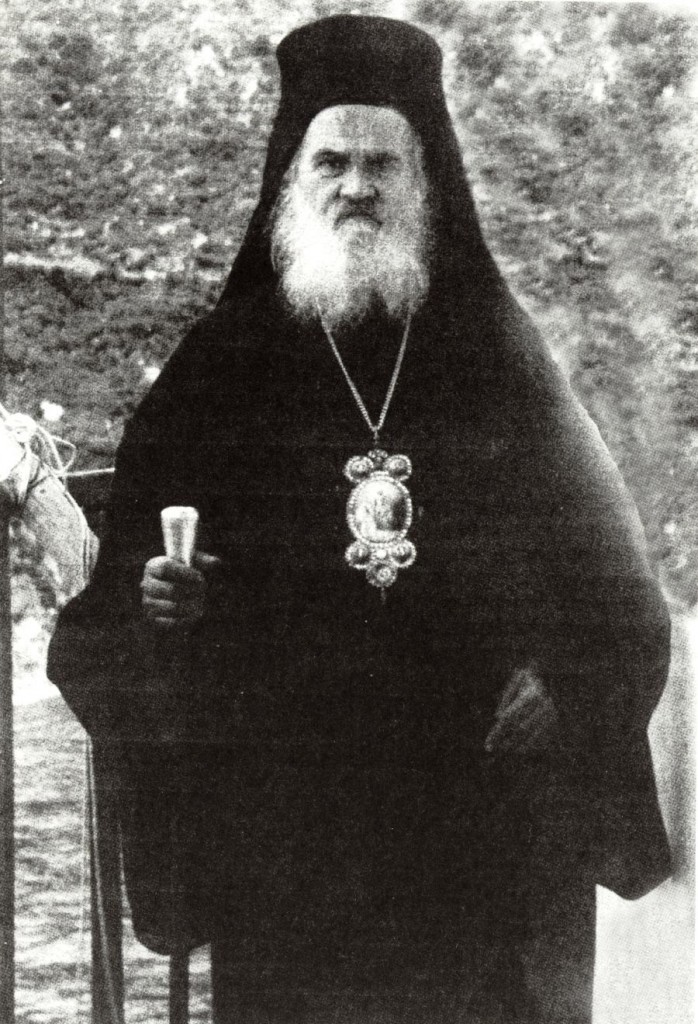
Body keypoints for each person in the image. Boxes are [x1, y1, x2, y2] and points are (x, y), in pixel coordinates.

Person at [47, 15, 671, 1024]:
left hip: (474, 835)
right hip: (289, 842)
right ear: (291, 179)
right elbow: (110, 615)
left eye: (382, 163)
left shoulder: (500, 358)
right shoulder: (220, 366)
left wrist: (568, 679)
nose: (356, 186)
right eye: (331, 161)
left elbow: (614, 588)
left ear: (424, 180)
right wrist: (158, 605)